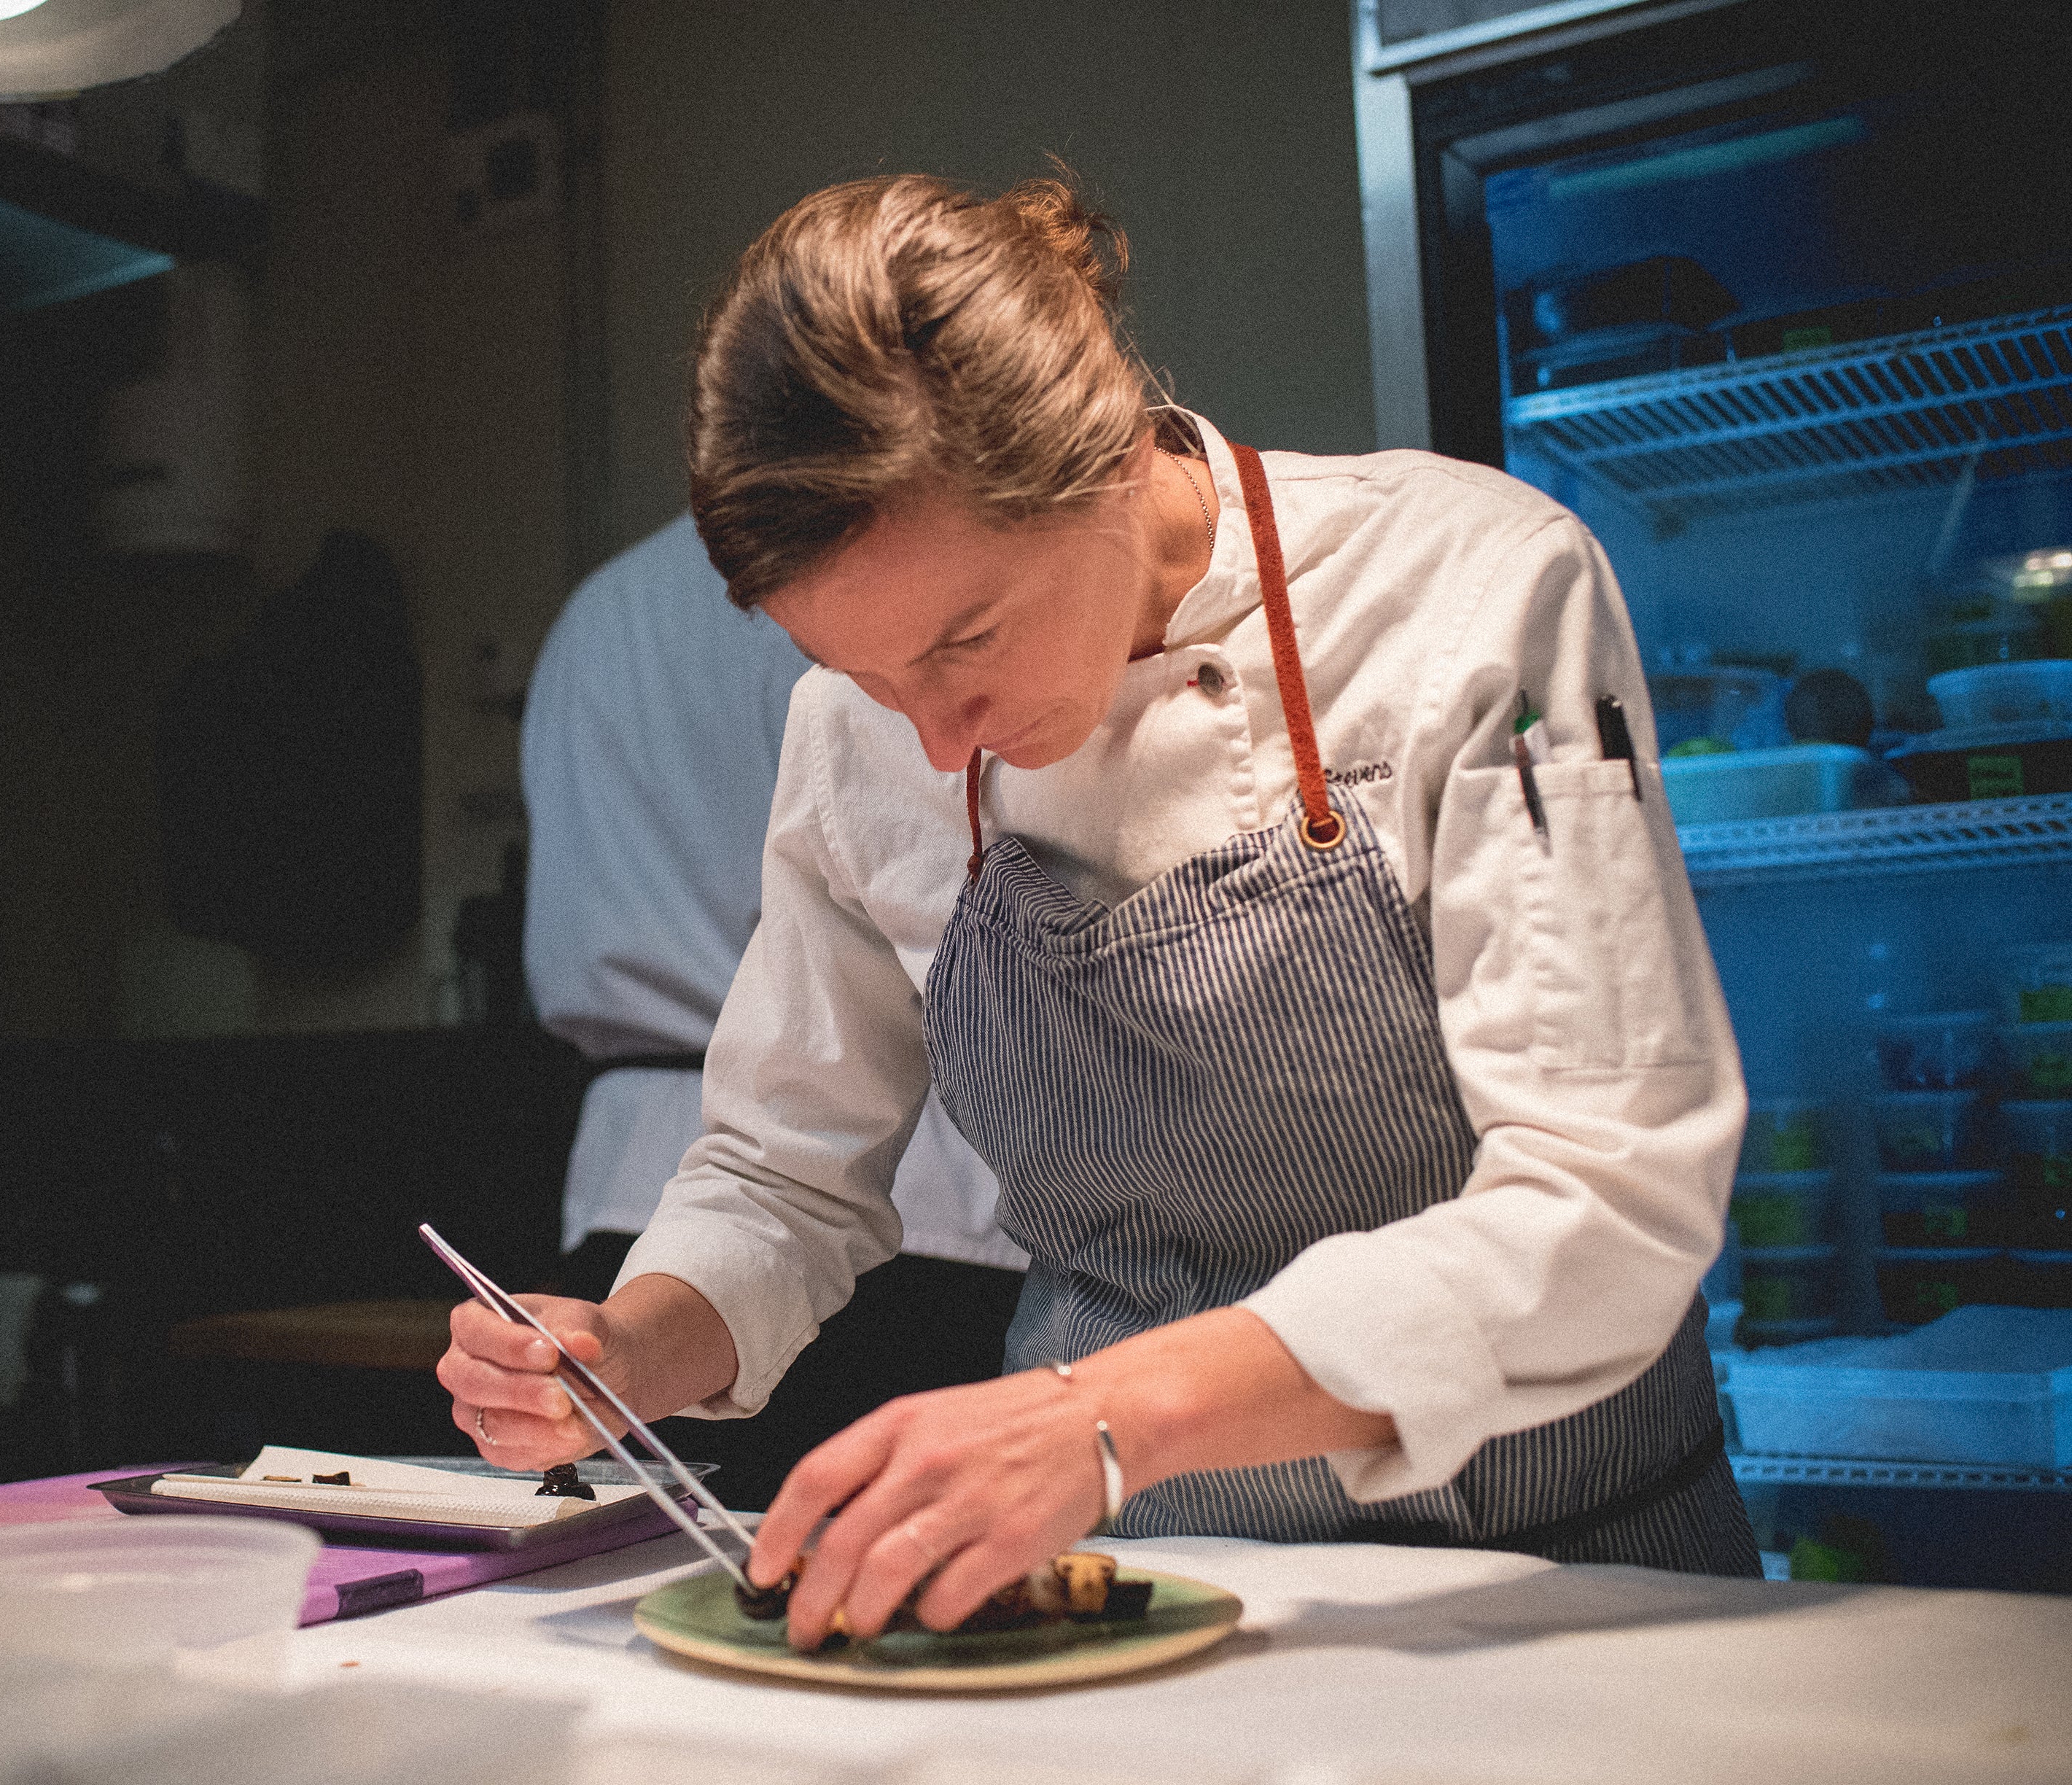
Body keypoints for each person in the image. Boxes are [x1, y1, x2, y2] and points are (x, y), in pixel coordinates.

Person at [442, 170, 1759, 1651]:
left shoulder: (1467, 592)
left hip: (1554, 1590)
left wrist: (1100, 1416)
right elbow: (783, 1174)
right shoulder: (853, 740)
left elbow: (1609, 1197)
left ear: (1110, 453)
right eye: (874, 679)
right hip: (1133, 1602)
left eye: (966, 640)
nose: (935, 739)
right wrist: (633, 1344)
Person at [521, 512, 1027, 1511]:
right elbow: (895, 890)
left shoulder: (598, 611)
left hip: (640, 1173)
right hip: (845, 1186)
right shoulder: (847, 598)